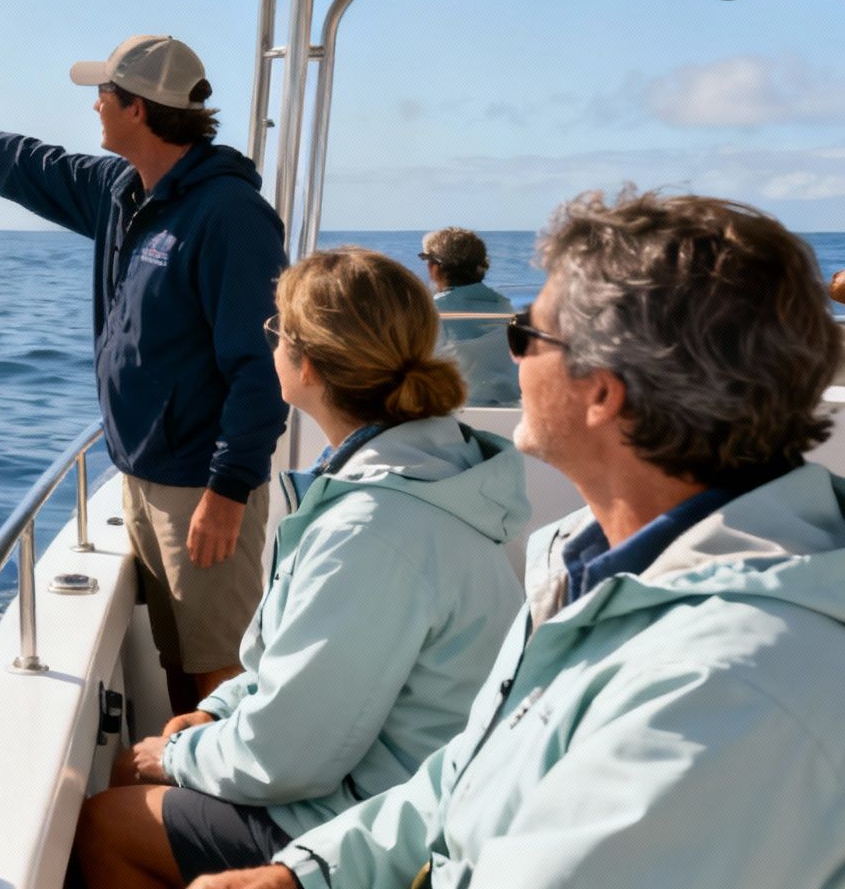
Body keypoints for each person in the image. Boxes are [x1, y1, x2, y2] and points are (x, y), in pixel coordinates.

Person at [195, 190, 845, 889]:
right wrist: (306, 872)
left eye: (527, 331)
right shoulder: (581, 560)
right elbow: (471, 769)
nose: (511, 352)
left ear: (603, 392)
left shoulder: (725, 689)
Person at [74, 248, 529, 889]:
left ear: (305, 363)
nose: (272, 346)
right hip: (393, 773)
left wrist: (177, 752)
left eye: (276, 332)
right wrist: (211, 714)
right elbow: (294, 669)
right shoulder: (426, 470)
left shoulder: (372, 529)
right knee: (139, 768)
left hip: (388, 819)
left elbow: (287, 759)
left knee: (108, 823)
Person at [0, 35, 286, 708]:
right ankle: (182, 796)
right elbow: (27, 163)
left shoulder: (229, 216)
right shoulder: (122, 190)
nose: (94, 107)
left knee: (218, 672)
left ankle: (216, 808)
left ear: (137, 109)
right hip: (143, 471)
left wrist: (229, 491)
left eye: (104, 96)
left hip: (200, 485)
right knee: (180, 659)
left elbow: (261, 366)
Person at [419, 227, 518, 407]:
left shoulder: (431, 312)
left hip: (455, 410)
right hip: (508, 405)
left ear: (436, 267)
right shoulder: (505, 307)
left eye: (427, 260)